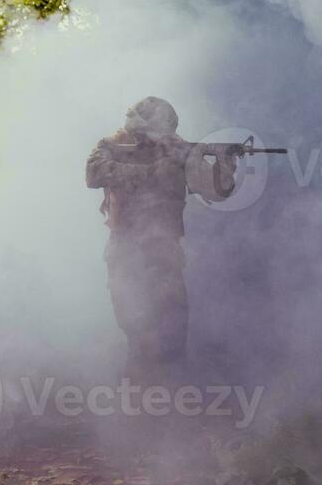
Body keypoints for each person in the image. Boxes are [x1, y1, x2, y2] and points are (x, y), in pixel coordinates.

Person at [86, 97, 237, 381]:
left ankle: (170, 394)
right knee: (134, 323)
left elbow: (216, 190)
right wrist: (151, 172)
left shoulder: (177, 150)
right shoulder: (112, 146)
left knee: (172, 322)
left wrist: (225, 163)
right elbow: (93, 174)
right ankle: (137, 396)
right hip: (125, 247)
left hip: (163, 250)